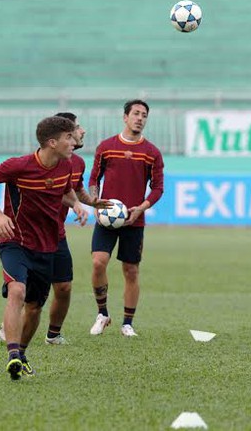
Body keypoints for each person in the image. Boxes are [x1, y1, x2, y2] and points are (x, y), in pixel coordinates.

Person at [0, 116, 85, 380]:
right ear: (52, 142)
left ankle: (21, 354)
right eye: (69, 137)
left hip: (47, 246)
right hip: (15, 241)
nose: (75, 141)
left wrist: (77, 204)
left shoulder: (66, 165)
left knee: (34, 307)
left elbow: (66, 192)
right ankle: (12, 354)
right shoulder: (19, 165)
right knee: (17, 291)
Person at [0, 112, 109, 345]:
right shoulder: (31, 164)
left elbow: (72, 192)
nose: (82, 131)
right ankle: (13, 332)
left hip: (55, 235)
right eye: (76, 129)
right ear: (55, 140)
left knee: (64, 287)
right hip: (27, 236)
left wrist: (83, 203)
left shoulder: (74, 163)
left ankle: (53, 334)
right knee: (21, 292)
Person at [88, 99, 164, 337]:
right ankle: (102, 313)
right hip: (107, 217)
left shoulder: (151, 153)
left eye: (144, 115)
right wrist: (95, 202)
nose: (140, 118)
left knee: (131, 271)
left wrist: (140, 208)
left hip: (134, 220)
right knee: (98, 262)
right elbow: (93, 180)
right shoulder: (106, 147)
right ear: (125, 117)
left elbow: (158, 188)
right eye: (136, 114)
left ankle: (127, 323)